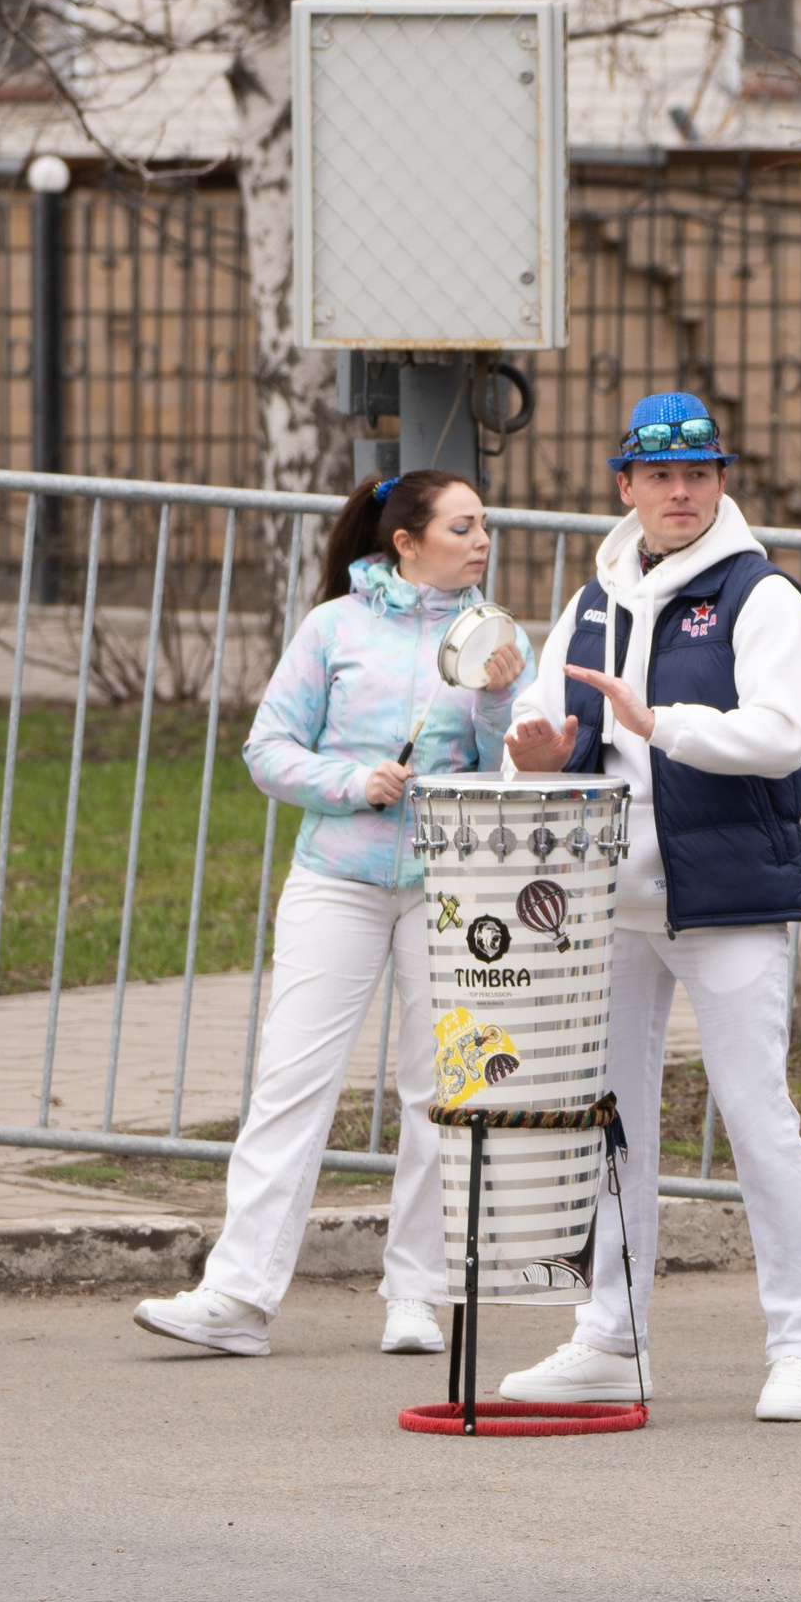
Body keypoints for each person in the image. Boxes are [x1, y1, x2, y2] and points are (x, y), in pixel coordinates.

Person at [132, 471, 530, 1358]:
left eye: (486, 526)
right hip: (335, 880)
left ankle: (417, 1296)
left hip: (450, 887)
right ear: (407, 541)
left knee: (441, 1092)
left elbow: (520, 766)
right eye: (463, 526)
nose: (481, 541)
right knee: (291, 1082)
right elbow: (266, 750)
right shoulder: (334, 628)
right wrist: (353, 782)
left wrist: (504, 700)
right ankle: (236, 1296)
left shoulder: (497, 637)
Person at [497, 391, 801, 1423]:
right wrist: (541, 754)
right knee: (609, 1124)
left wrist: (665, 723)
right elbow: (540, 715)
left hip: (724, 896)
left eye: (697, 474)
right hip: (611, 898)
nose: (678, 492)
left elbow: (780, 736)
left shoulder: (761, 594)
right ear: (626, 486)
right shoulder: (595, 596)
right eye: (657, 476)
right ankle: (612, 1335)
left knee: (754, 1114)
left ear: (721, 482)